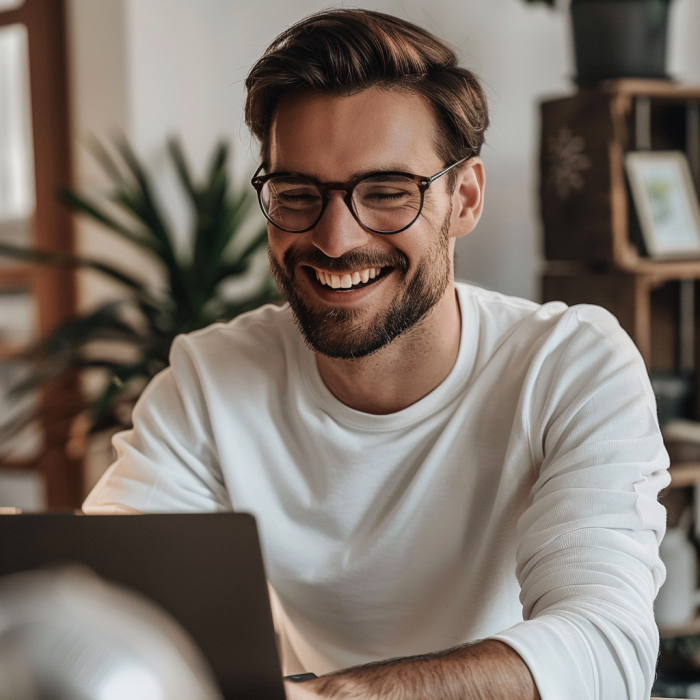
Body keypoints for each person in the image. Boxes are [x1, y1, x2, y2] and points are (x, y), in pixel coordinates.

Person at [83, 9, 670, 700]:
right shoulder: (211, 378)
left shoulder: (569, 365)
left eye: (387, 193)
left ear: (465, 198)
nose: (334, 238)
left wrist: (342, 695)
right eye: (297, 194)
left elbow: (606, 651)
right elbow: (107, 609)